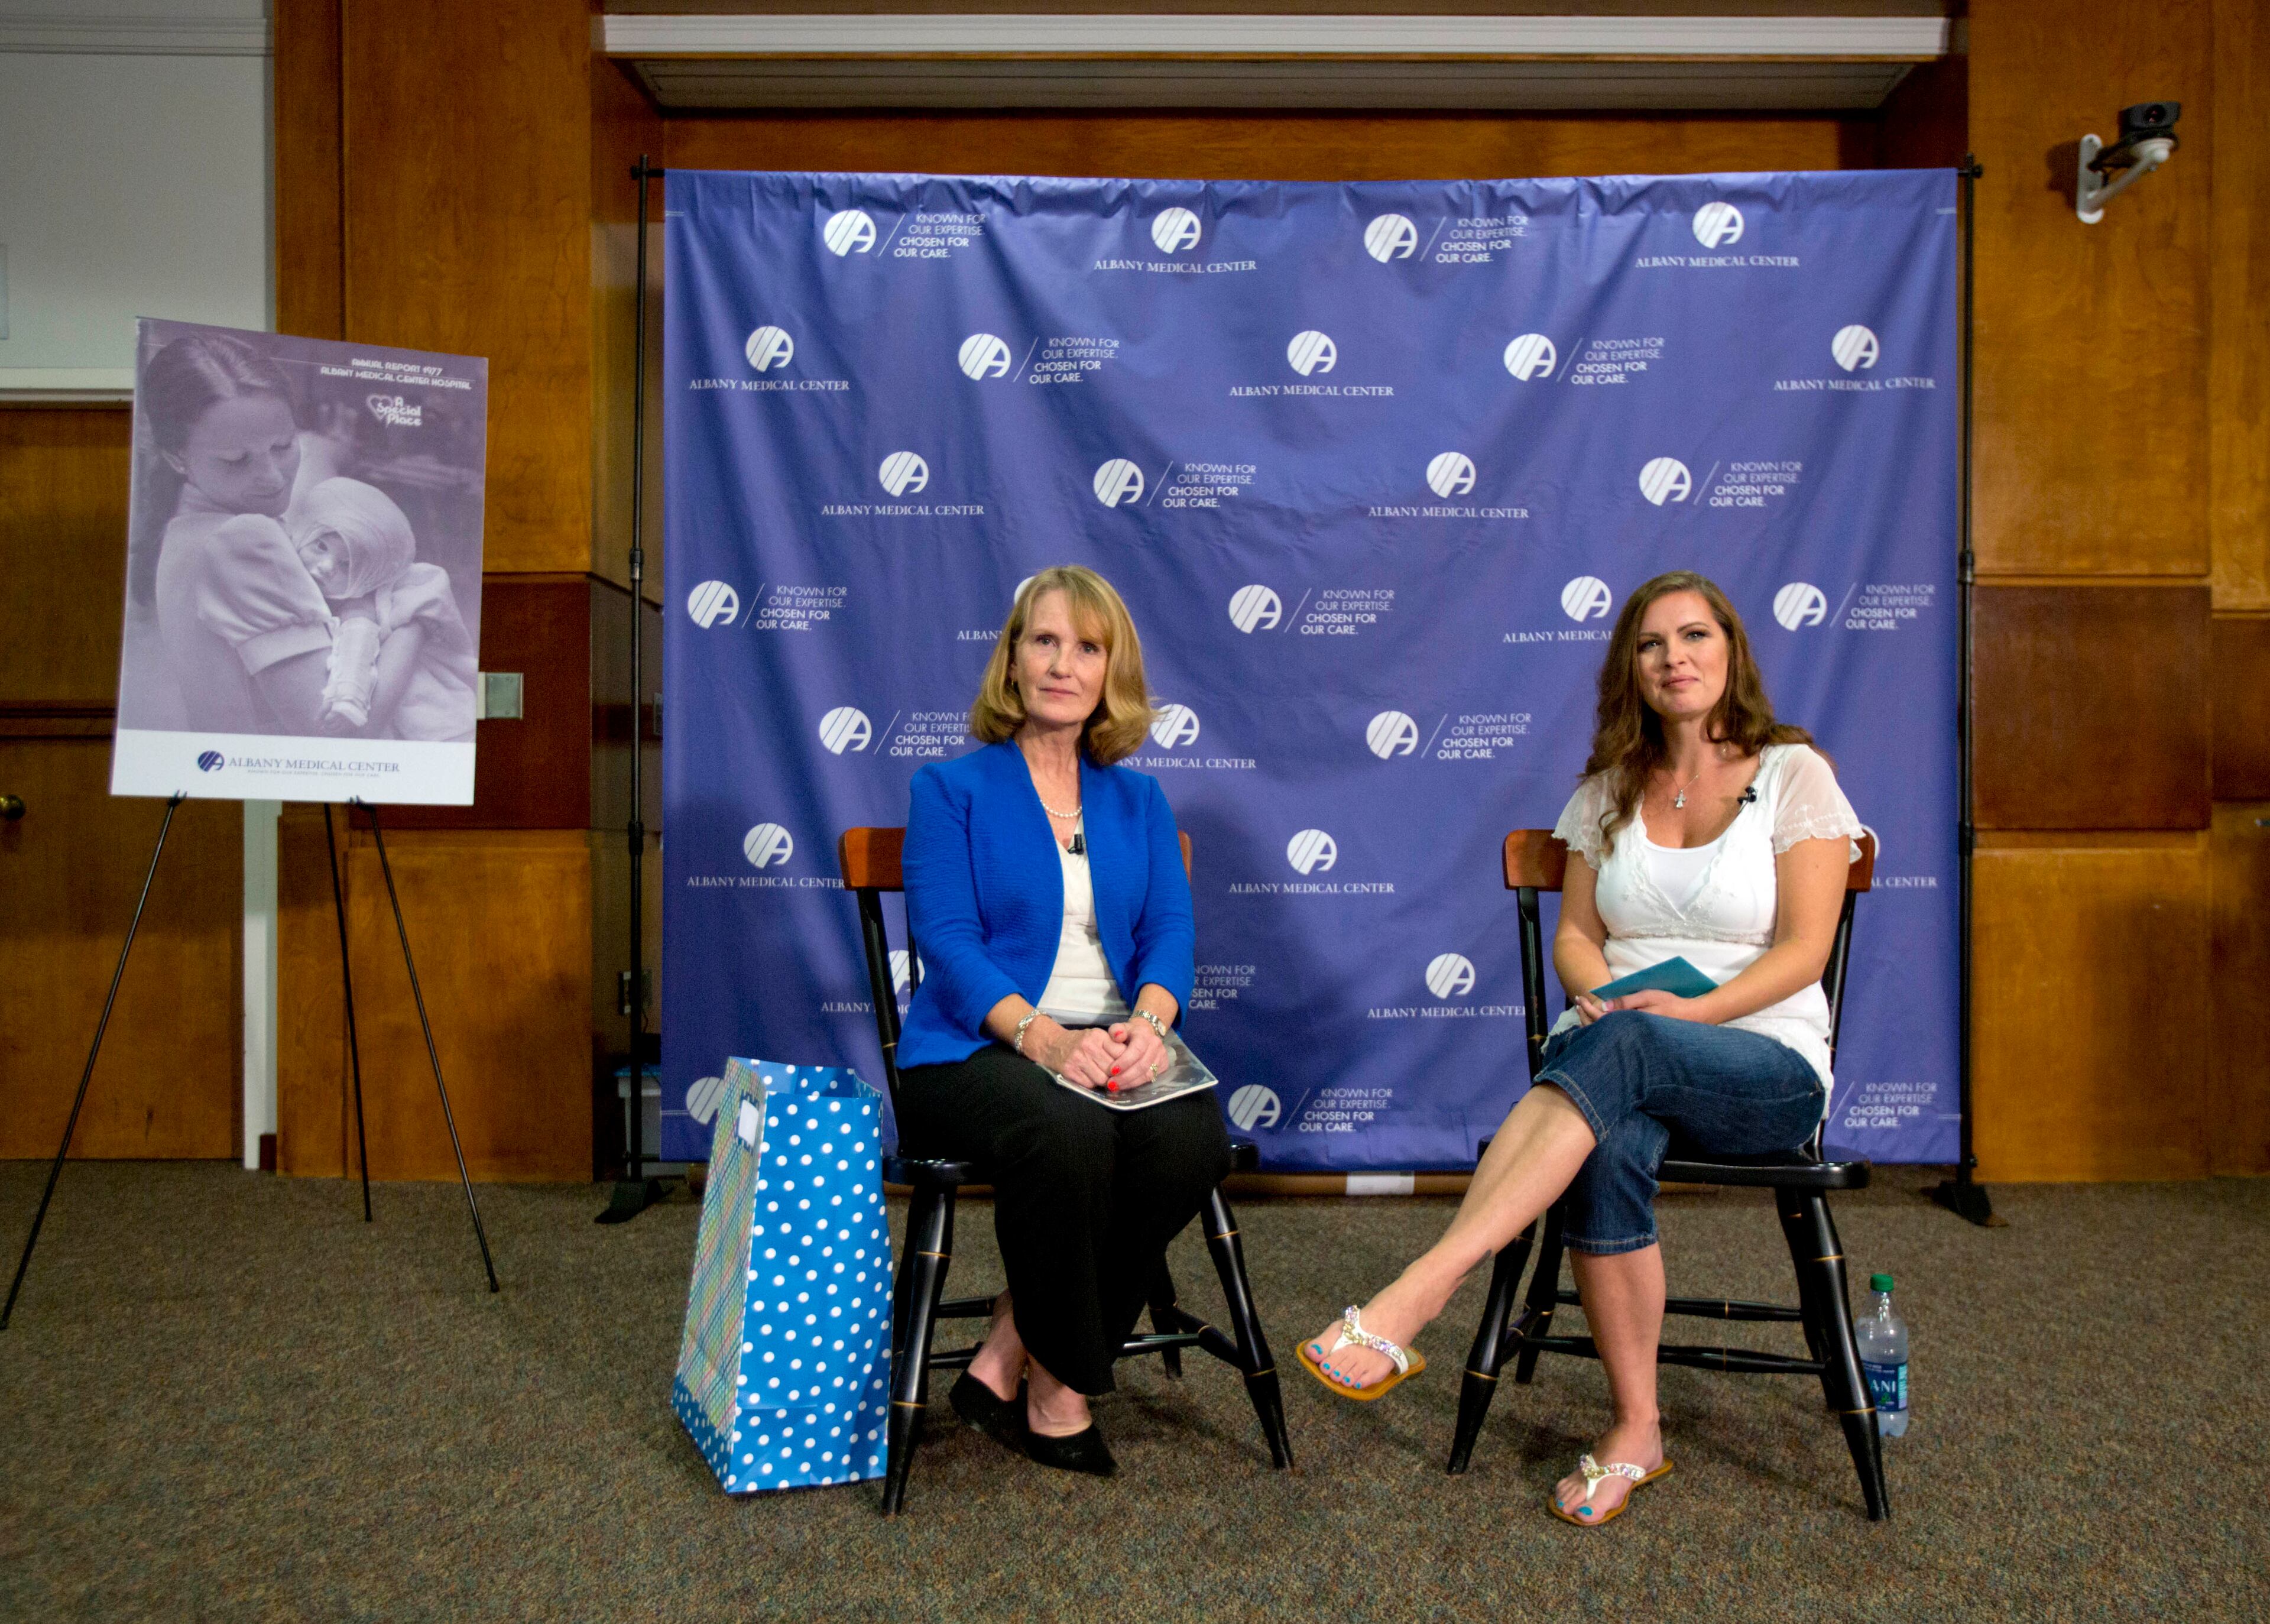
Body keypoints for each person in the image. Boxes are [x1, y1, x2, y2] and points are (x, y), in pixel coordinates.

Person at [1301, 569, 1864, 1529]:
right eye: (1652, 644)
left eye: (1695, 636)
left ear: (1731, 651)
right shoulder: (1608, 790)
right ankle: (1637, 1427)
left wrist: (1679, 1015)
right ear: (1629, 669)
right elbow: (1576, 937)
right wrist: (1598, 993)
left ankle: (1423, 1287)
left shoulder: (1793, 773)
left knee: (1626, 1050)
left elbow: (1806, 951)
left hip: (1763, 1063)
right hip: (1619, 1046)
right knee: (1605, 1126)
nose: (1675, 658)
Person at [894, 565, 1231, 1477]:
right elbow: (949, 944)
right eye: (1044, 640)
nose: (1063, 663)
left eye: (1088, 647)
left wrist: (1151, 1025)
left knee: (1191, 1139)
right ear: (1012, 659)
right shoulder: (949, 788)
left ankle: (1014, 1336)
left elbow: (1169, 932)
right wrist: (1046, 1038)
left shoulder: (1139, 799)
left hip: (1116, 1033)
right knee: (1070, 1128)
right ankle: (1061, 1390)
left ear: (1109, 672)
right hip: (978, 1046)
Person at [129, 331, 336, 737]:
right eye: (236, 460)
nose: (273, 477)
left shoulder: (186, 534)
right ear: (176, 457)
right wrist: (413, 625)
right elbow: (332, 731)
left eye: (283, 445)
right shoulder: (243, 539)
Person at [293, 476, 478, 741]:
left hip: (437, 727)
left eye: (347, 565)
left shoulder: (362, 604)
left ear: (369, 573)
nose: (325, 566)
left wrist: (348, 702)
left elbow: (357, 650)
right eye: (320, 547)